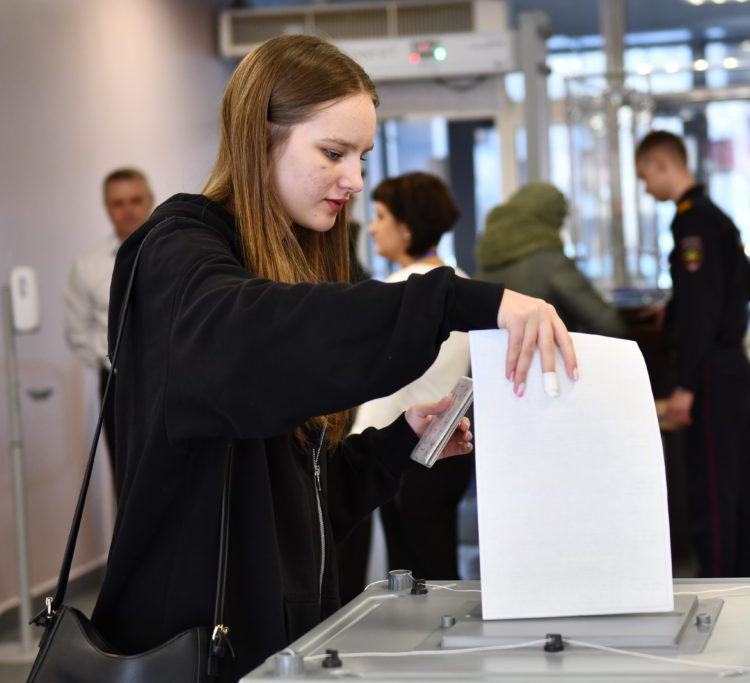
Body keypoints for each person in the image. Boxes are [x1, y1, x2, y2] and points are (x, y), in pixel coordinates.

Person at [88, 35, 577, 681]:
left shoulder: (268, 265)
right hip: (192, 649)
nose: (355, 180)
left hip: (275, 644)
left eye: (363, 156)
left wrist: (400, 442)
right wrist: (455, 297)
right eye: (333, 152)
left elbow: (296, 504)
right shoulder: (177, 252)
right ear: (260, 139)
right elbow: (256, 340)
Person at [635, 130, 750, 578]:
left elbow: (703, 310)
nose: (646, 187)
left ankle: (720, 590)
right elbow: (741, 285)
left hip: (709, 371)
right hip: (731, 367)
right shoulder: (717, 217)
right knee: (736, 486)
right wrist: (673, 308)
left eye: (644, 176)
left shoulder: (693, 223)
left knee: (711, 491)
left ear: (661, 164)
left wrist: (685, 385)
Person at [344, 172, 474, 592]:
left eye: (381, 216)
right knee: (436, 560)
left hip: (404, 448)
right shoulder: (463, 285)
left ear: (407, 227)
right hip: (446, 451)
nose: (373, 226)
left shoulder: (400, 292)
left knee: (412, 572)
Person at [63, 168, 154, 477]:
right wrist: (114, 363)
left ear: (150, 201)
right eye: (118, 203)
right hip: (118, 385)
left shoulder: (178, 254)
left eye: (135, 200)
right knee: (126, 474)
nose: (128, 209)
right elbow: (78, 333)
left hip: (173, 377)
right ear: (106, 208)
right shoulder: (87, 266)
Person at [476, 182, 628, 339]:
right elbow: (608, 325)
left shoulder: (487, 261)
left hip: (494, 362)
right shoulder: (552, 262)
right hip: (549, 361)